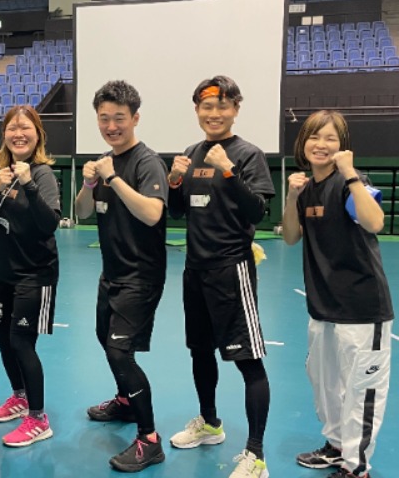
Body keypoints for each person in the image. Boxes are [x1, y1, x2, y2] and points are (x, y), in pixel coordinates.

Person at [167, 75, 275, 478]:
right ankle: (210, 423)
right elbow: (178, 211)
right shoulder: (191, 153)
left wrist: (229, 172)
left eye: (222, 106)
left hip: (232, 270)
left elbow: (257, 212)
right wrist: (174, 182)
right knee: (200, 351)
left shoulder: (248, 155)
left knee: (247, 360)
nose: (214, 113)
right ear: (197, 110)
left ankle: (256, 454)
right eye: (207, 106)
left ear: (235, 110)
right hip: (195, 269)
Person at [281, 110, 393, 478]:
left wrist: (351, 174)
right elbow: (291, 236)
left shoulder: (349, 184)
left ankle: (356, 468)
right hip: (323, 306)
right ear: (304, 143)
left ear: (343, 146)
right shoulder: (307, 188)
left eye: (331, 138)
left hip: (362, 308)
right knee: (325, 385)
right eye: (315, 137)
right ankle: (336, 445)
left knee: (361, 390)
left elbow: (375, 222)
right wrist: (292, 196)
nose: (322, 144)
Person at [75, 80, 169, 472]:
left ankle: (149, 439)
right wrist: (89, 184)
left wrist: (113, 179)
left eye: (119, 118)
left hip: (141, 276)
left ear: (135, 118)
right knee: (105, 339)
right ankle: (126, 402)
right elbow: (82, 212)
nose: (111, 126)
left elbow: (152, 213)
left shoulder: (147, 162)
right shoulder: (102, 162)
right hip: (111, 273)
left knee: (119, 351)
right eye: (104, 118)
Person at [0, 105, 61, 447]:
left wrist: (29, 185)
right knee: (3, 337)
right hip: (4, 272)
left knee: (22, 341)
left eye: (26, 128)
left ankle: (38, 418)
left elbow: (49, 224)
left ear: (37, 134)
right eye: (12, 128)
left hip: (35, 275)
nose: (19, 134)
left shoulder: (43, 173)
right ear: (4, 133)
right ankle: (20, 396)